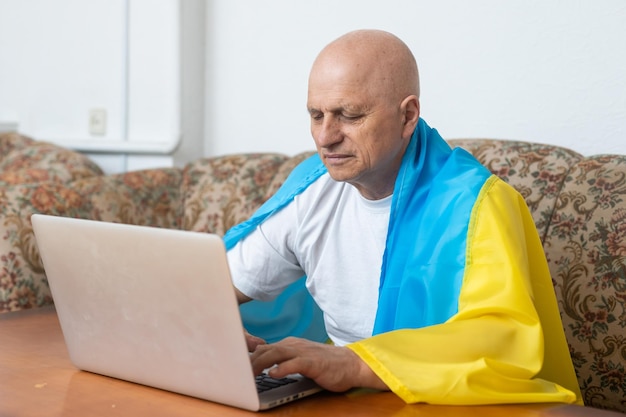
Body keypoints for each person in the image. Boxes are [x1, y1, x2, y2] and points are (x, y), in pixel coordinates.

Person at [223, 29, 582, 405]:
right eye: (316, 115)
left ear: (408, 115)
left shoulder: (478, 203)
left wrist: (355, 364)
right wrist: (205, 327)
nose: (326, 137)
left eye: (349, 115)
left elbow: (502, 339)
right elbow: (218, 284)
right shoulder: (311, 188)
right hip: (349, 402)